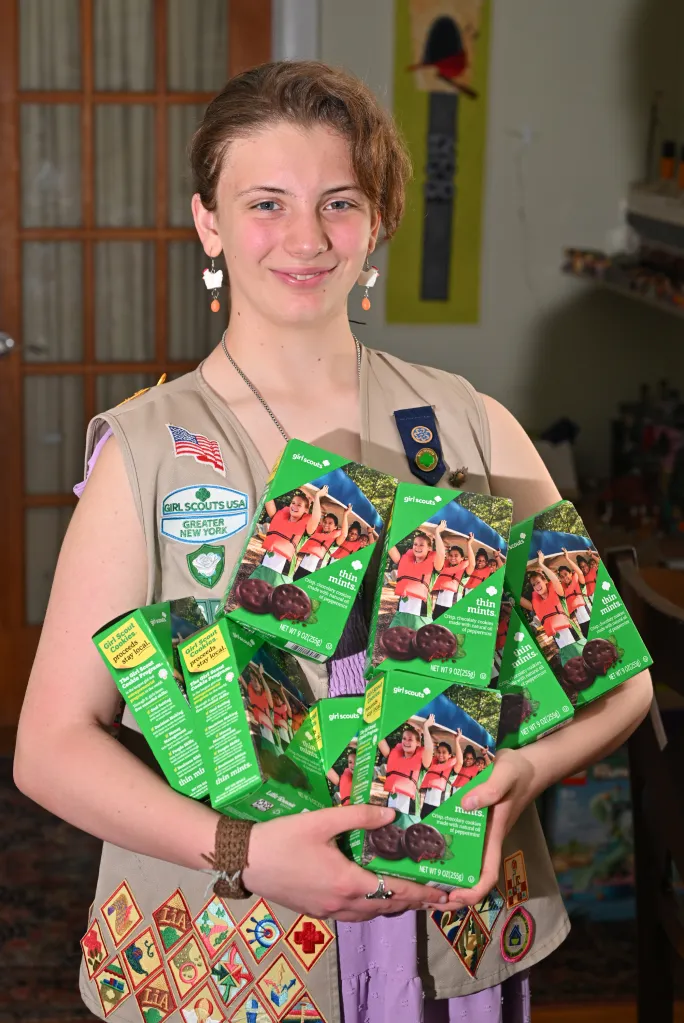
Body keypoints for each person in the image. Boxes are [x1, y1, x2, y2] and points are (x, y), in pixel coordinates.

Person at [13, 60, 652, 1023]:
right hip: (229, 938)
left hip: (447, 932)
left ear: (379, 218)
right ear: (210, 224)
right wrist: (243, 848)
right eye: (266, 202)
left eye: (339, 201)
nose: (306, 238)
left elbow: (621, 679)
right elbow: (50, 748)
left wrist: (524, 772)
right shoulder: (148, 452)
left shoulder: (471, 424)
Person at [253, 485, 327, 584]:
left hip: (282, 573)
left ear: (306, 510)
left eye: (299, 505)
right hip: (264, 566)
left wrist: (317, 496)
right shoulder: (279, 517)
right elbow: (268, 500)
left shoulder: (307, 529)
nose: (294, 506)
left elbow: (315, 518)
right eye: (293, 503)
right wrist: (299, 486)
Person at [519, 552, 582, 662]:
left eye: (538, 582)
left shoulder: (558, 592)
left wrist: (541, 564)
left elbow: (555, 580)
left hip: (571, 633)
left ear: (544, 581)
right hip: (558, 639)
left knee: (583, 660)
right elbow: (517, 598)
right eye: (534, 585)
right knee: (572, 666)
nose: (537, 586)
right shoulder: (536, 603)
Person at [388, 522, 446, 626]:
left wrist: (437, 532)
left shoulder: (434, 565)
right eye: (415, 544)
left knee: (419, 642)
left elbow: (441, 553)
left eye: (421, 545)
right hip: (401, 612)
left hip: (421, 615)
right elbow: (389, 546)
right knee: (391, 641)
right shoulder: (404, 560)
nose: (417, 547)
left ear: (429, 548)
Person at [377, 717, 435, 816]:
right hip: (391, 801)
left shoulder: (422, 761)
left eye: (410, 739)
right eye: (404, 739)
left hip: (410, 807)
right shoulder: (394, 755)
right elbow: (379, 738)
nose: (406, 742)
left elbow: (429, 749)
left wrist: (425, 727)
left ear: (417, 743)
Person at [293, 504, 348, 580]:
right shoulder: (315, 532)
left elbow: (344, 535)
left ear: (335, 527)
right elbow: (314, 518)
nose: (326, 524)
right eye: (325, 522)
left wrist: (345, 515)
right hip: (301, 569)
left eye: (330, 523)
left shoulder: (335, 542)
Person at [419, 731, 463, 817]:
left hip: (441, 807)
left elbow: (460, 762)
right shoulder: (431, 765)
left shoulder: (452, 771)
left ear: (450, 755)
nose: (441, 754)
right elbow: (424, 752)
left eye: (444, 752)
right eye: (439, 752)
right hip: (426, 805)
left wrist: (457, 741)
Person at [431, 534, 475, 619]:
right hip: (438, 606)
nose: (453, 558)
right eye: (451, 555)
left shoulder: (465, 572)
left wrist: (469, 544)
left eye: (456, 555)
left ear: (462, 558)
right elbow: (439, 554)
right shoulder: (444, 567)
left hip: (453, 607)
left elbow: (472, 564)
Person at [558, 548, 591, 638]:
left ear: (570, 573)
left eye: (565, 574)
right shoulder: (563, 589)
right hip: (581, 622)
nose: (565, 578)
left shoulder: (579, 582)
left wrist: (567, 558)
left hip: (590, 616)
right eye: (561, 577)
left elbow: (580, 573)